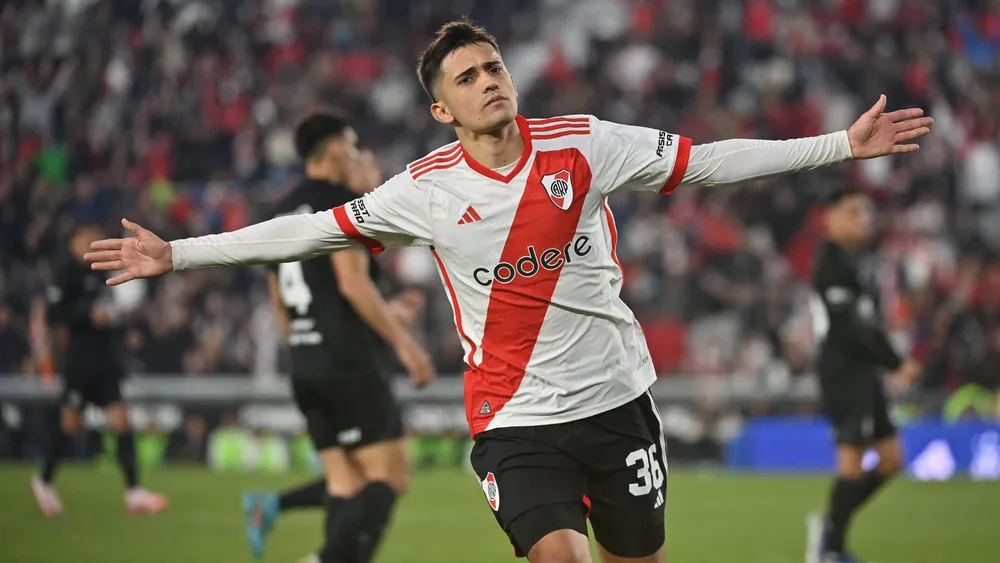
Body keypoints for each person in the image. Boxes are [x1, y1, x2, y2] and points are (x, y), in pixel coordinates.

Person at [84, 18, 932, 563]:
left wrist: (839, 146)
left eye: (493, 66)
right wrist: (178, 254)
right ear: (442, 111)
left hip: (617, 402)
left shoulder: (584, 145)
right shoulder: (424, 189)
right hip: (514, 417)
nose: (489, 79)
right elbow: (308, 230)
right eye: (467, 77)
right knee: (558, 557)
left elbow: (707, 161)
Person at [241, 113, 434, 563]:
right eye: (352, 144)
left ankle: (288, 521)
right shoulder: (342, 204)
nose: (358, 153)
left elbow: (280, 298)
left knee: (344, 483)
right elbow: (351, 284)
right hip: (349, 364)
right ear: (332, 150)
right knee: (390, 476)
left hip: (306, 363)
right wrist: (406, 346)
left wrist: (307, 346)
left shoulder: (280, 209)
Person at [805, 188, 922, 563]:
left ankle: (832, 525)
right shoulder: (830, 262)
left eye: (865, 213)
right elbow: (849, 328)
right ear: (830, 217)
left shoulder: (857, 261)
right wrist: (896, 362)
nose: (863, 220)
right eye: (853, 212)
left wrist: (893, 361)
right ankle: (831, 549)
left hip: (865, 369)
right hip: (843, 370)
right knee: (852, 463)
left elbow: (868, 324)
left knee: (891, 460)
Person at [31, 222, 167, 518]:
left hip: (105, 359)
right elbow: (55, 314)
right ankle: (44, 480)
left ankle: (133, 492)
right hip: (80, 361)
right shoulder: (65, 272)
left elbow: (111, 308)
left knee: (121, 421)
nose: (91, 241)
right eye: (86, 237)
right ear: (74, 239)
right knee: (69, 424)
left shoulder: (98, 269)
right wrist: (88, 316)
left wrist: (119, 325)